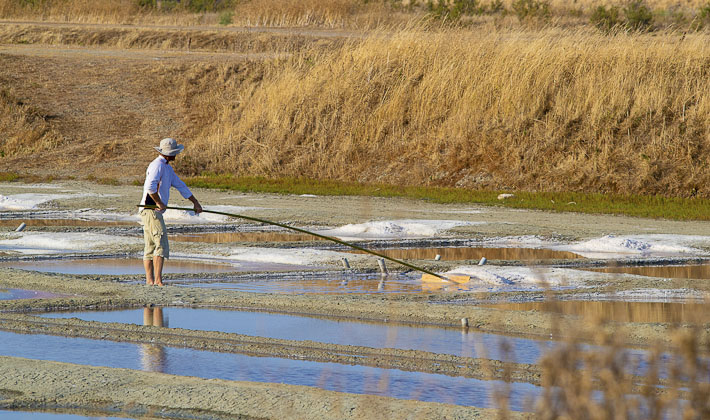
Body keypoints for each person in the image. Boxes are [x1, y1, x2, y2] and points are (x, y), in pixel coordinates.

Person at [140, 137, 202, 286]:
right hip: (150, 210)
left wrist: (195, 202)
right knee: (159, 244)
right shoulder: (157, 166)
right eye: (174, 152)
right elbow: (150, 187)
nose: (176, 155)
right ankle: (156, 281)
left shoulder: (167, 167)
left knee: (151, 245)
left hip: (152, 211)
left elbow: (180, 185)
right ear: (168, 153)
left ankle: (152, 281)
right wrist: (159, 202)